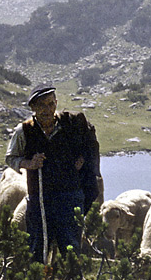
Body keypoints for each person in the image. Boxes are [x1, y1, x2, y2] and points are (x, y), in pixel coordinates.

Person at [5, 86, 101, 261]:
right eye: (42, 105)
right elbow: (10, 158)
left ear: (56, 103)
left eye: (51, 104)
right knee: (37, 247)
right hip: (40, 197)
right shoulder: (24, 131)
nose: (47, 110)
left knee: (71, 248)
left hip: (70, 196)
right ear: (33, 108)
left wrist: (83, 159)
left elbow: (89, 146)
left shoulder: (71, 124)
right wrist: (29, 163)